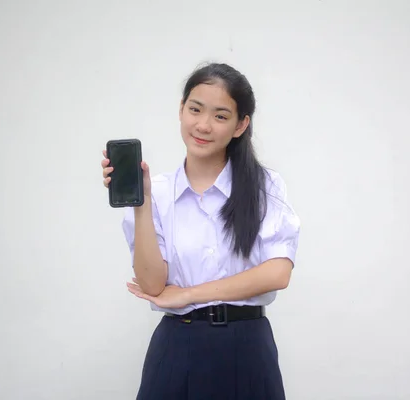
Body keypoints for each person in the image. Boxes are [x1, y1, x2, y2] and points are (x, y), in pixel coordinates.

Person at [101, 62, 300, 400]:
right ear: (181, 110)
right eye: (195, 109)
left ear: (241, 125)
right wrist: (143, 202)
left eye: (221, 116)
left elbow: (278, 272)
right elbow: (152, 285)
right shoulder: (159, 193)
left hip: (247, 347)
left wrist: (190, 294)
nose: (203, 125)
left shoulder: (264, 186)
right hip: (178, 346)